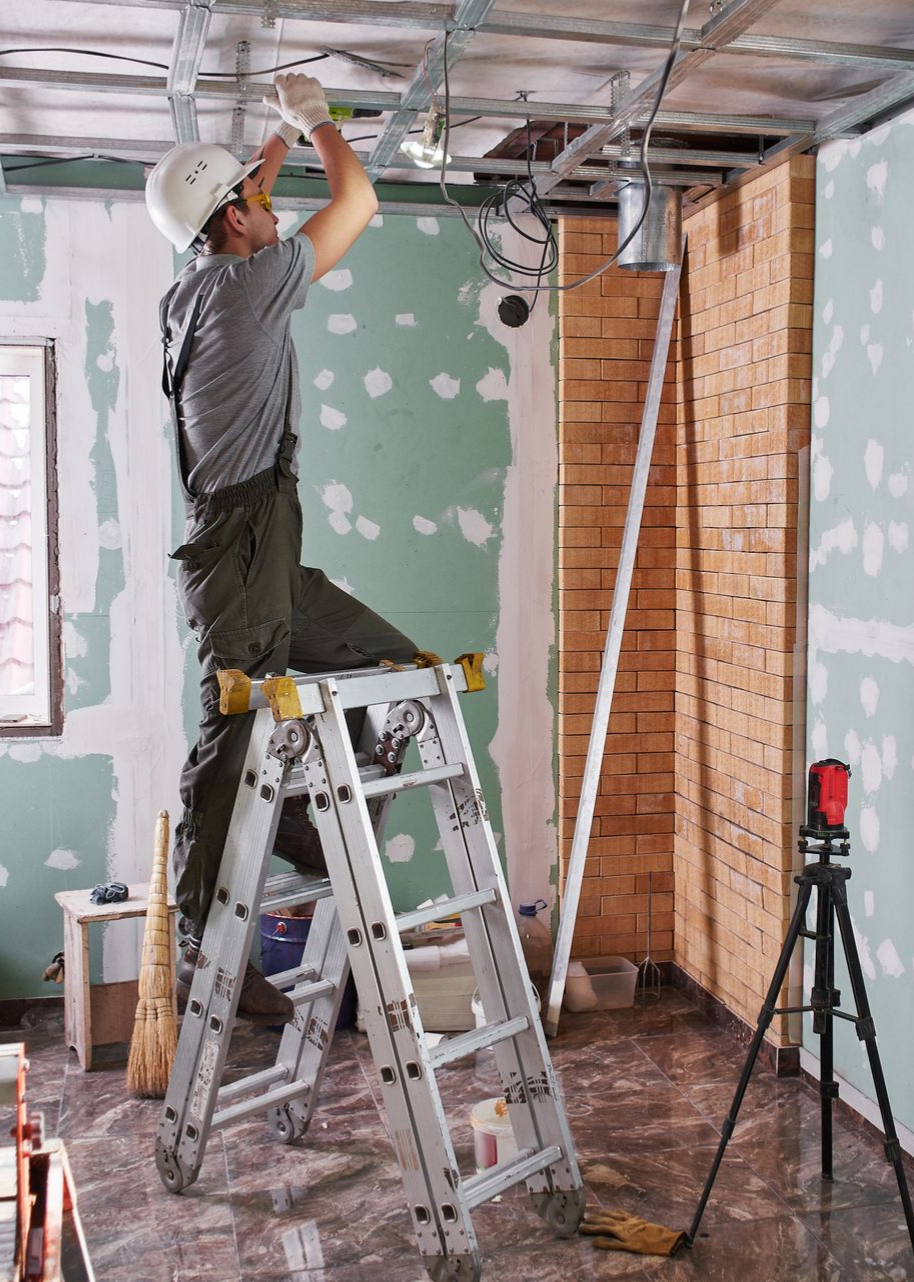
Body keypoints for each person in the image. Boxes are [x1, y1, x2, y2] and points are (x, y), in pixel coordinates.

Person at [145, 73, 418, 1024]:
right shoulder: (253, 285)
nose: (275, 211)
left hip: (258, 547)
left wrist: (265, 151)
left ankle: (309, 828)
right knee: (234, 728)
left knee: (398, 666)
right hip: (243, 548)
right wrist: (315, 119)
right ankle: (195, 945)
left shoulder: (194, 288)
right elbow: (362, 203)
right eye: (260, 204)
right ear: (230, 225)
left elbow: (244, 203)